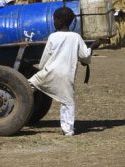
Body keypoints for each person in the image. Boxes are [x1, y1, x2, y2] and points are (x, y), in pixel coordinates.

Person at [28, 7, 99, 136]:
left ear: (60, 21)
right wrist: (93, 46)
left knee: (28, 86)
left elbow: (45, 59)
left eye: (55, 19)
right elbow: (85, 56)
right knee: (67, 102)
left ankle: (17, 112)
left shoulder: (53, 36)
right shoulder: (76, 37)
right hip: (66, 75)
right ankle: (68, 130)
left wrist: (41, 68)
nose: (54, 21)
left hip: (49, 72)